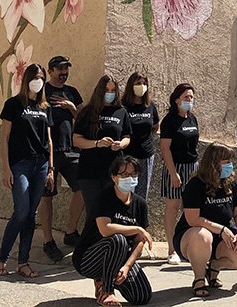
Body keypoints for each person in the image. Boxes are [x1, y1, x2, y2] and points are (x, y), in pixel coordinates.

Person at [0, 63, 53, 279]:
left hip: (41, 165)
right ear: (27, 78)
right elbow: (4, 138)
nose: (38, 80)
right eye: (35, 76)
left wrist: (51, 169)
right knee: (21, 211)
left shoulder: (45, 107)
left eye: (41, 77)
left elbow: (48, 140)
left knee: (30, 214)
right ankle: (2, 259)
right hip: (20, 164)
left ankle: (23, 262)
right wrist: (5, 168)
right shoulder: (13, 104)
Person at [73, 155, 153, 306]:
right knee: (118, 240)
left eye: (133, 174)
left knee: (142, 296)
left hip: (120, 258)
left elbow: (139, 241)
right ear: (114, 177)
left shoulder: (140, 204)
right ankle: (107, 291)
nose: (130, 178)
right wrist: (137, 228)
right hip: (89, 258)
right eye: (124, 175)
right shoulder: (104, 197)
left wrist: (127, 266)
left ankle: (109, 277)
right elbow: (105, 230)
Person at [174, 142, 237, 297]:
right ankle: (199, 279)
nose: (230, 165)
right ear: (213, 163)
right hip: (192, 236)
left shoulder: (230, 183)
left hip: (222, 236)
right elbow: (193, 219)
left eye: (231, 161)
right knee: (203, 235)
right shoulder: (196, 184)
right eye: (226, 162)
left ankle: (215, 266)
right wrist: (221, 229)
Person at [39, 54, 85, 263]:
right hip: (48, 151)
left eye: (66, 68)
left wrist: (71, 107)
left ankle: (70, 231)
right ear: (50, 71)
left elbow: (83, 120)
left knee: (82, 188)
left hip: (72, 150)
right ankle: (48, 241)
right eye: (59, 69)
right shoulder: (42, 91)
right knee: (47, 195)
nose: (63, 72)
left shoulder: (72, 92)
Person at [73, 75, 132, 211]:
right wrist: (97, 143)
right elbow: (76, 140)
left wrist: (121, 144)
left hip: (114, 170)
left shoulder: (121, 111)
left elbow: (127, 136)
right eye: (106, 90)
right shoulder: (88, 111)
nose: (110, 94)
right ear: (100, 91)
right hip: (90, 171)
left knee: (112, 209)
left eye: (113, 90)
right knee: (94, 211)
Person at [160, 82, 200, 264]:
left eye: (191, 97)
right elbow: (165, 148)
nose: (189, 100)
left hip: (193, 168)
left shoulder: (193, 119)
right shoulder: (169, 121)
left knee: (191, 208)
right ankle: (171, 249)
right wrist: (173, 173)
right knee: (173, 208)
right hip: (175, 167)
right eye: (186, 97)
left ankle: (188, 246)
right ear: (177, 100)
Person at [121, 72, 160, 201]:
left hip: (146, 155)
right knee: (125, 190)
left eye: (144, 83)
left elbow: (155, 126)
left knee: (142, 193)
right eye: (138, 83)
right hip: (127, 155)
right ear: (131, 85)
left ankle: (138, 219)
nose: (142, 86)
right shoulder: (123, 106)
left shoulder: (150, 106)